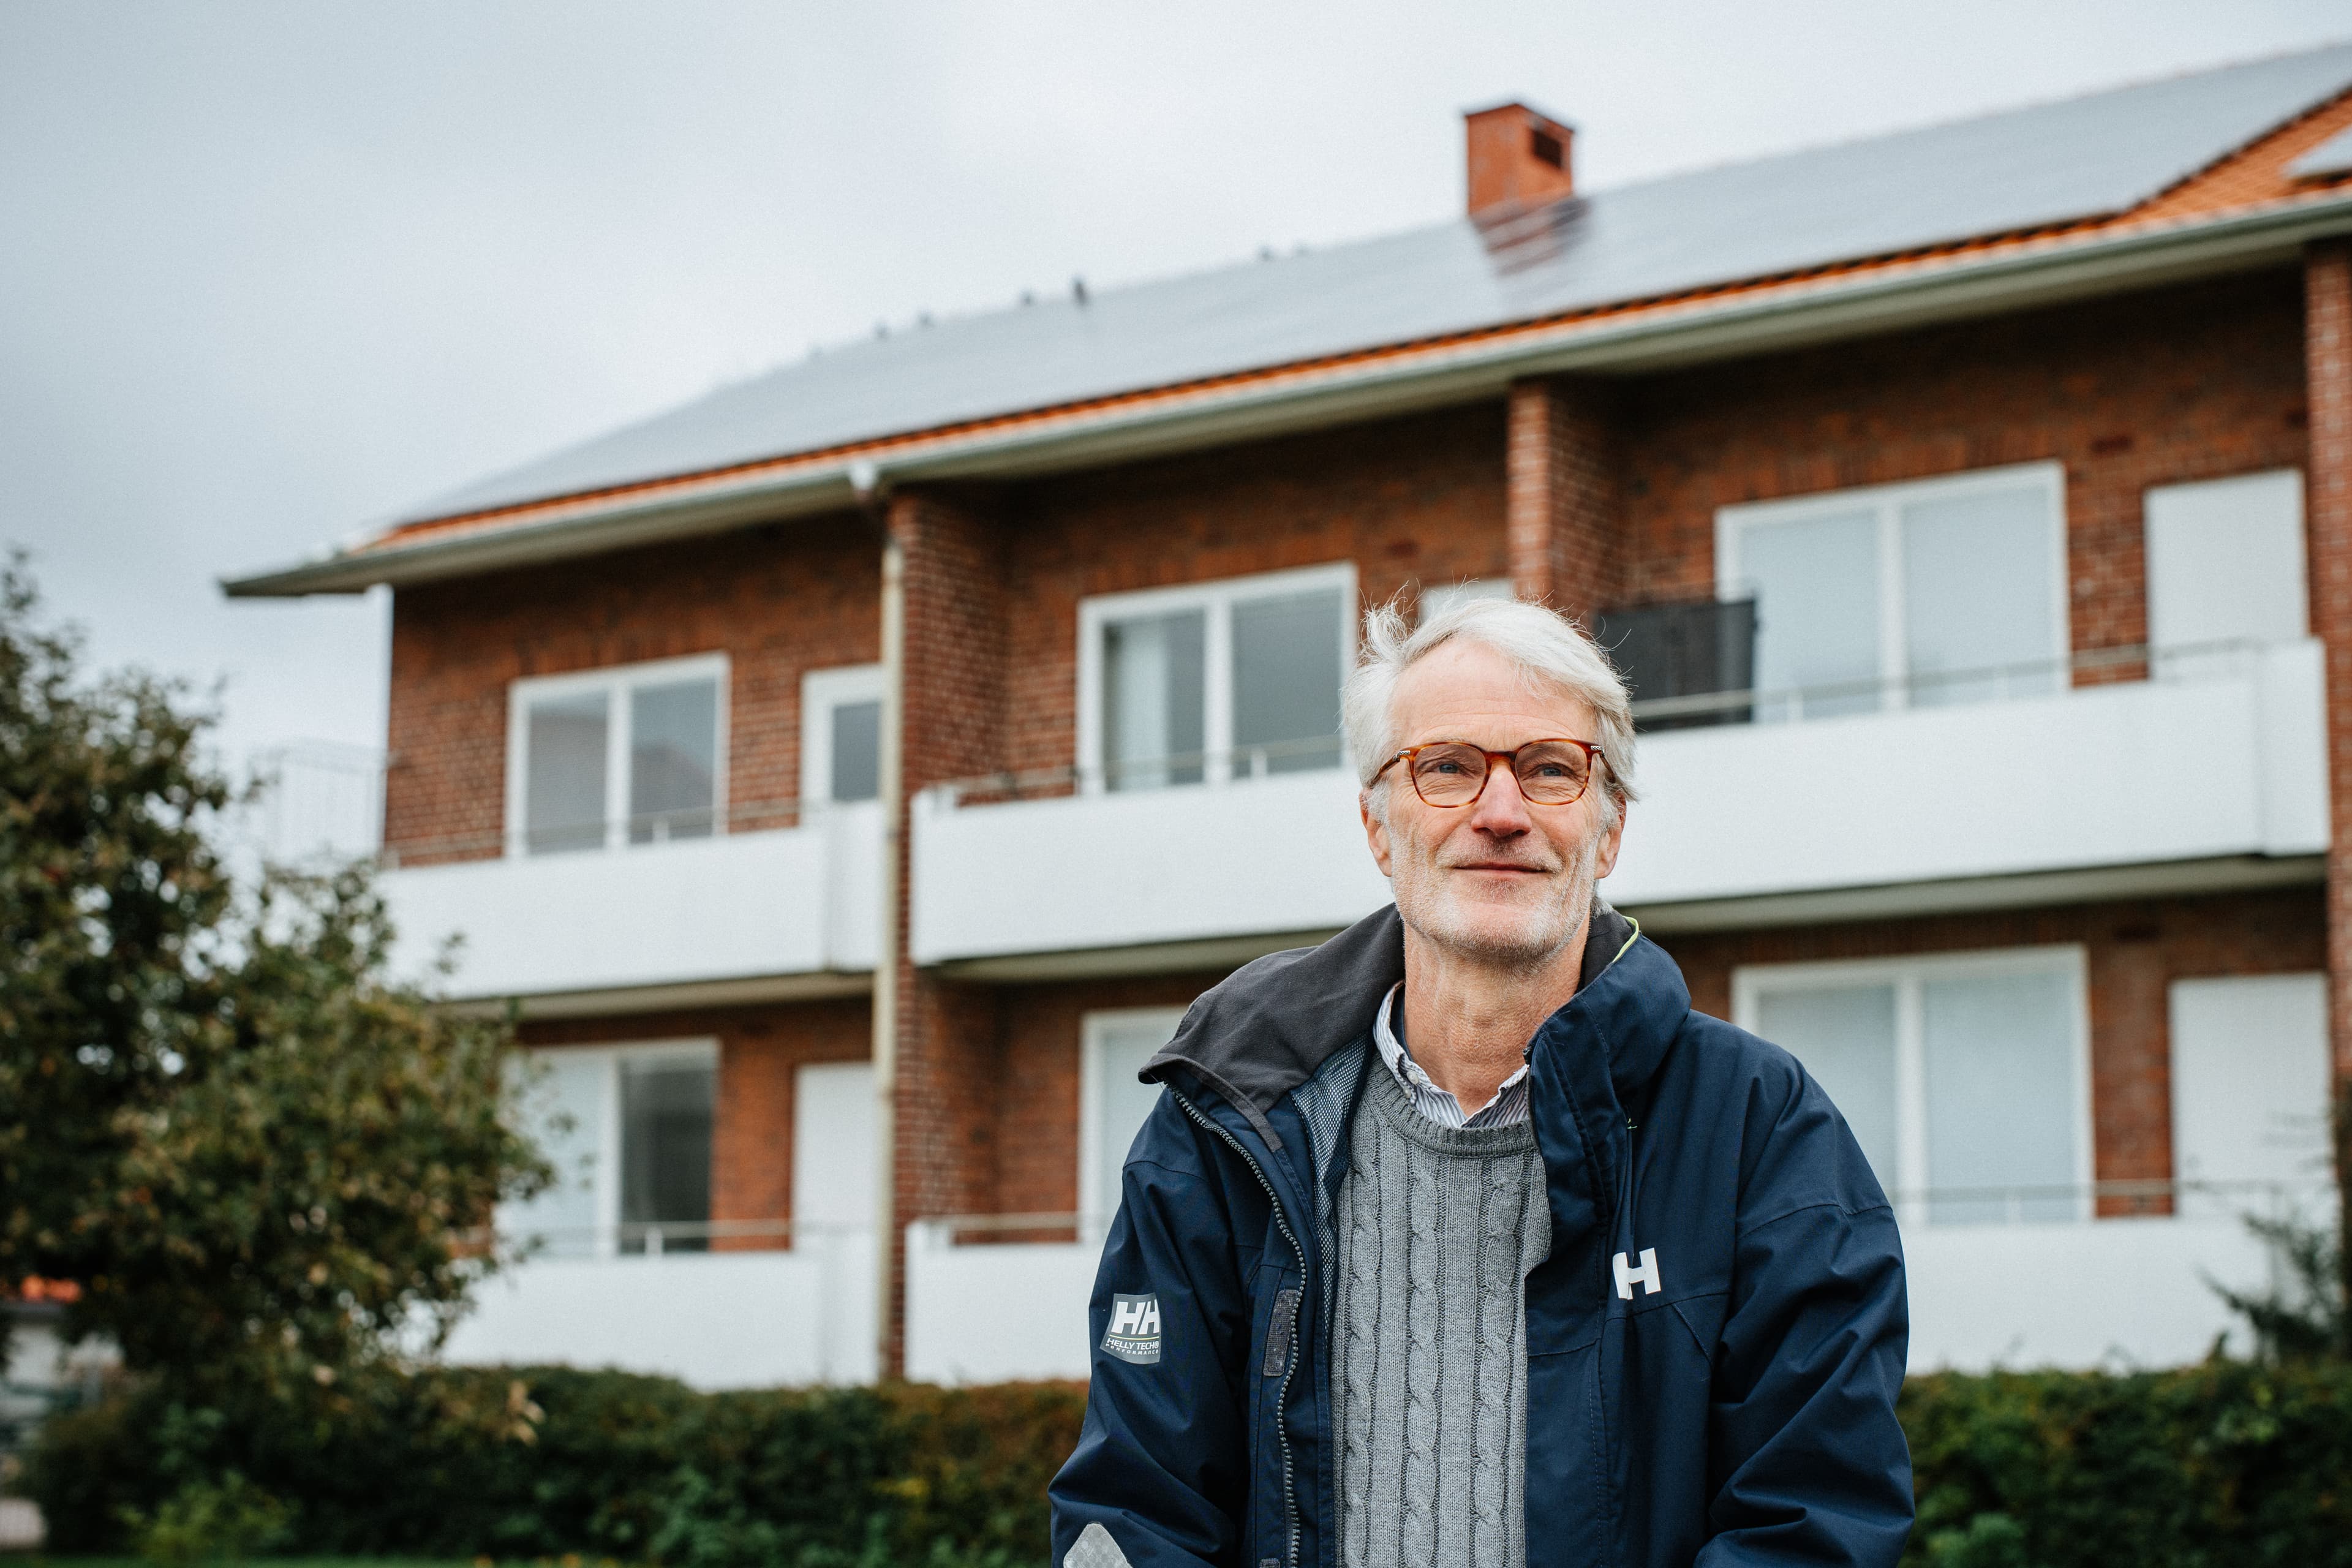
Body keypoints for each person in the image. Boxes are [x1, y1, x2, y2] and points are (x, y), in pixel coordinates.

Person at [1049, 595, 1912, 1568]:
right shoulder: (1228, 1124)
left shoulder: (1757, 1129)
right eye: (1449, 767)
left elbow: (1815, 1520)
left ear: (1608, 831)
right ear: (1380, 828)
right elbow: (1135, 1511)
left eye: (1551, 769)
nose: (1501, 814)